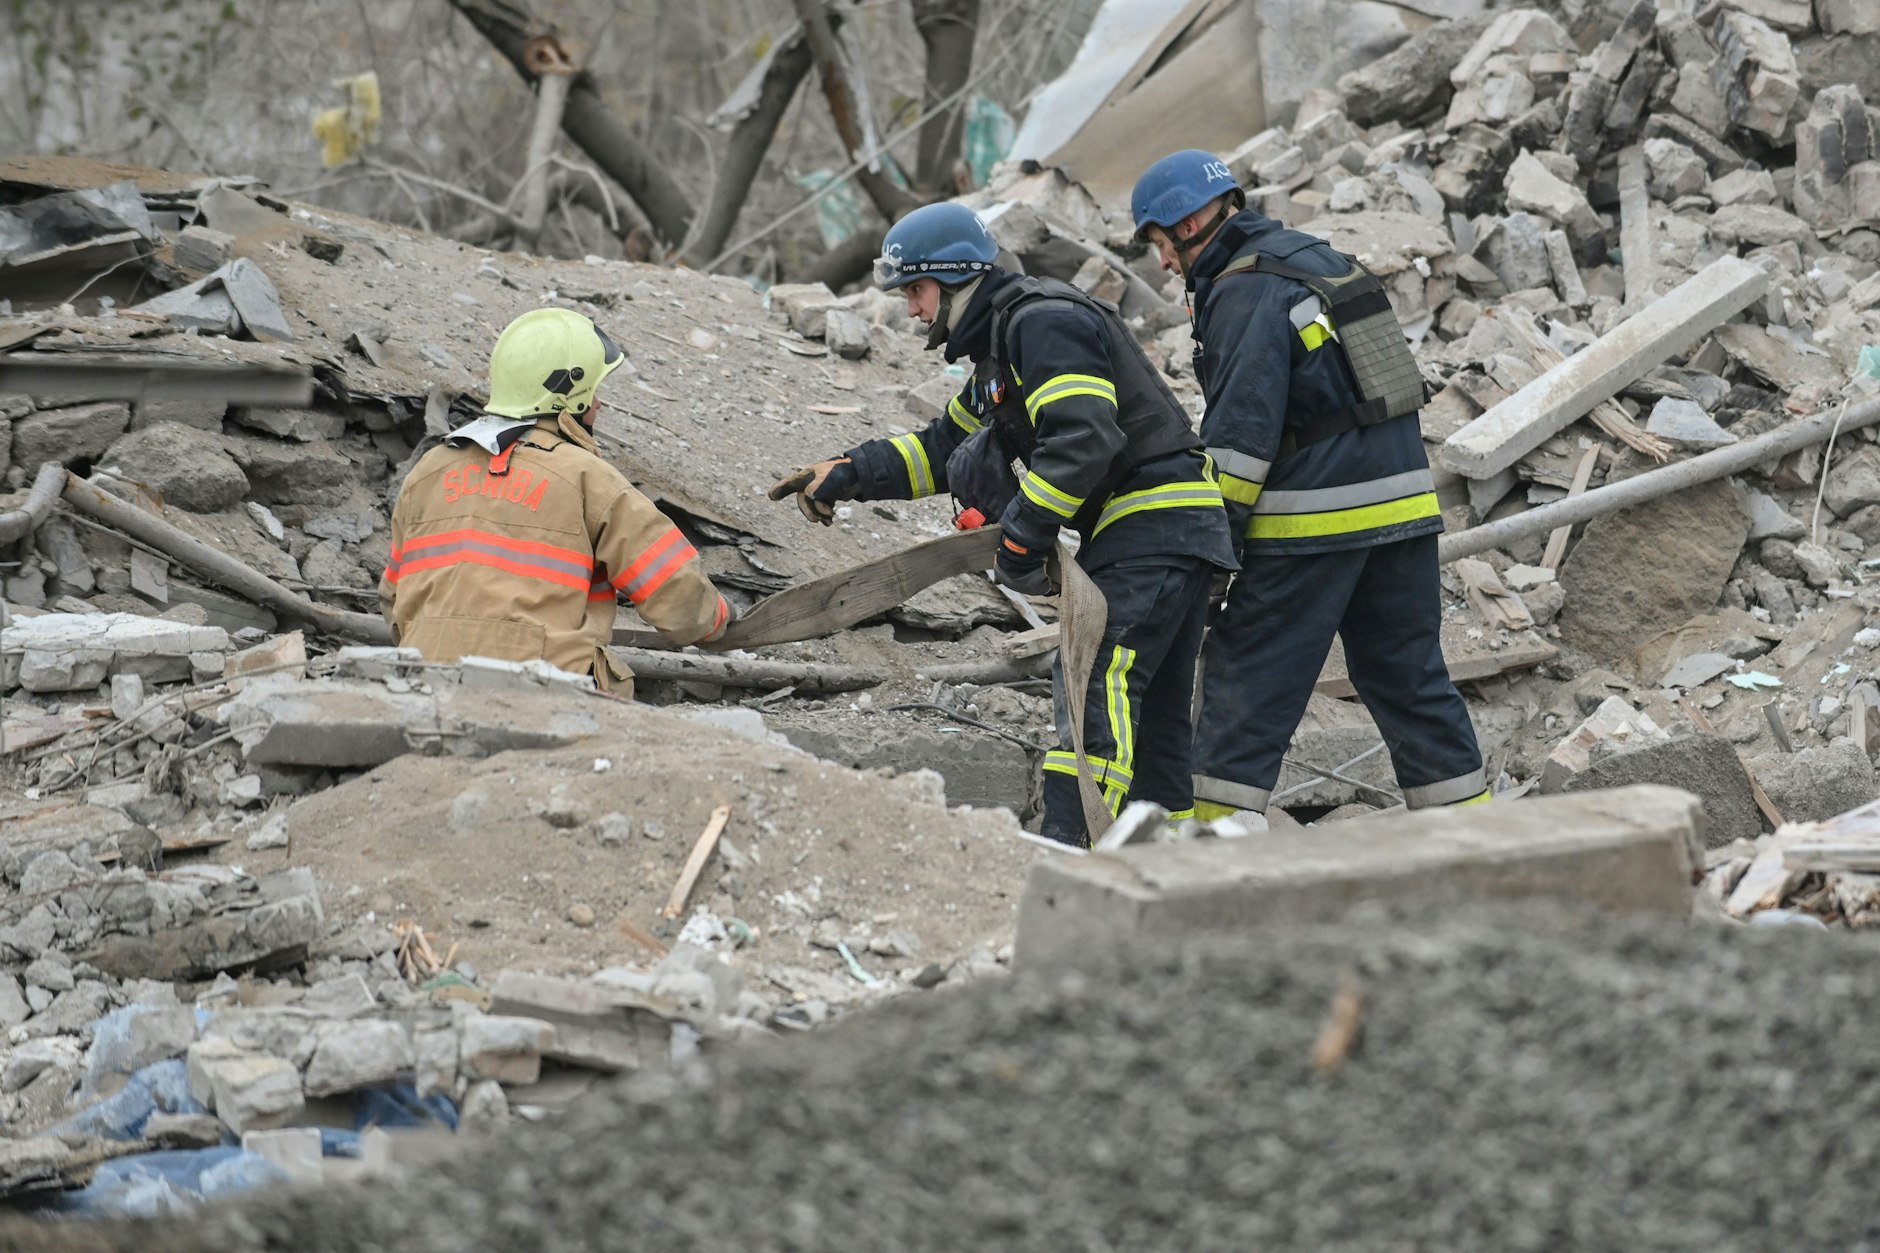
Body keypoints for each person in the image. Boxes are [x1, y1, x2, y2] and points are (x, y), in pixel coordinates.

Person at [769, 202, 1236, 847]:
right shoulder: (1006, 350)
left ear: (957, 276)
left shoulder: (1042, 323)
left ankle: (1071, 857)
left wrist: (1020, 537)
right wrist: (850, 471)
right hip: (1173, 529)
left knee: (1092, 682)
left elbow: (1081, 439)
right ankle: (1176, 871)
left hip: (1152, 526)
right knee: (1150, 715)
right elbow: (940, 448)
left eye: (916, 290)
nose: (912, 311)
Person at [1130, 149, 1488, 820]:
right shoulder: (1324, 260)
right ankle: (1477, 841)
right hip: (1407, 512)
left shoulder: (1241, 289)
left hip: (1313, 524)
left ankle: (1210, 858)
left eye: (1159, 244)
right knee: (1408, 680)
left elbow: (1239, 444)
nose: (1163, 265)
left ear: (1191, 220)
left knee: (1247, 681)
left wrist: (1209, 556)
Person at [380, 308, 730, 695]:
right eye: (593, 392)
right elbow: (678, 598)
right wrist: (718, 622)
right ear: (572, 396)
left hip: (424, 687)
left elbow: (394, 598)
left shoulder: (429, 471)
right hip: (551, 695)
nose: (599, 404)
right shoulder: (587, 478)